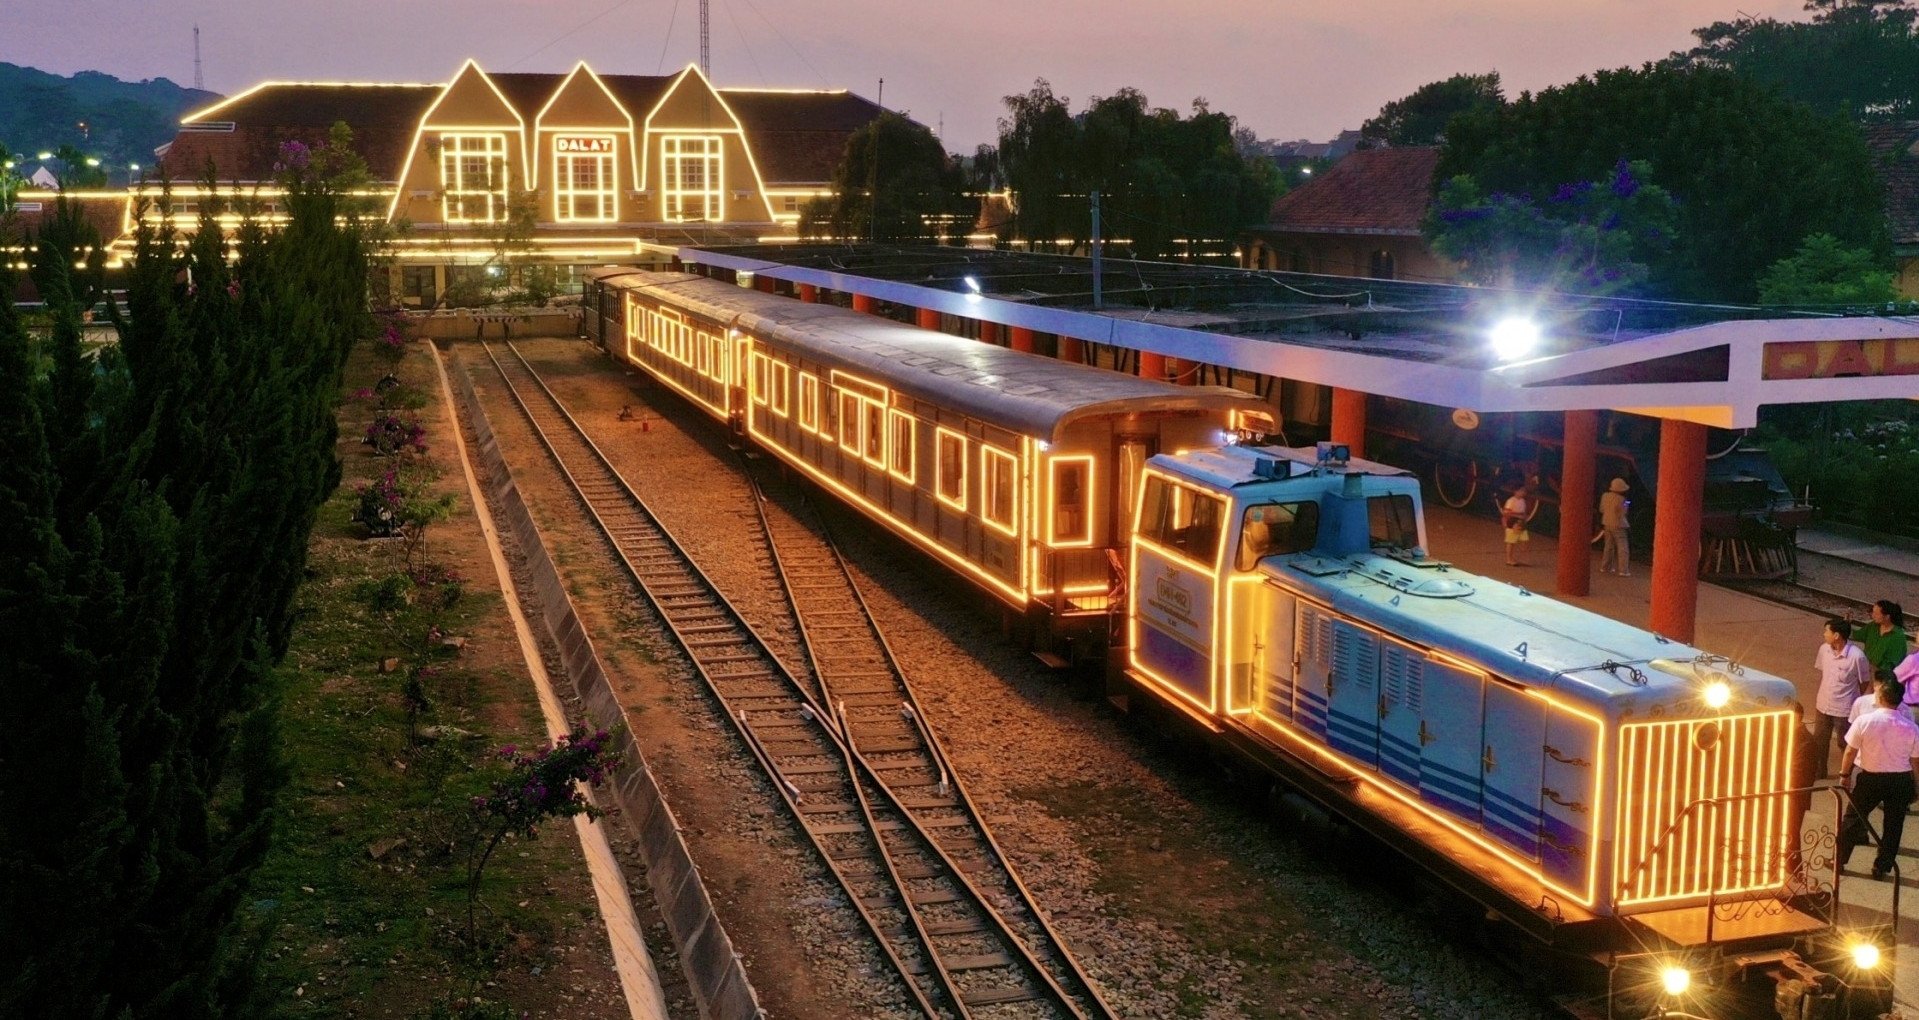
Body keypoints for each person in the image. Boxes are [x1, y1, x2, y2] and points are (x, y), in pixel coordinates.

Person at [1838, 677, 1919, 880]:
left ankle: (1839, 860)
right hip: (1899, 781)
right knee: (1893, 826)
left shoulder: (1865, 721)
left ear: (1881, 697)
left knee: (1853, 819)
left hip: (1870, 779)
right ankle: (1882, 866)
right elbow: (1915, 762)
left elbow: (1850, 751)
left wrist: (1844, 775)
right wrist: (1917, 786)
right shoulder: (1911, 728)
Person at [1814, 617, 1872, 777]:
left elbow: (1864, 681)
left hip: (1844, 709)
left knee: (1844, 743)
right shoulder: (1824, 650)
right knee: (1820, 741)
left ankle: (1846, 773)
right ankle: (1819, 772)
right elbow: (1822, 672)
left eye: (1827, 631)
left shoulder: (1857, 657)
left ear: (1837, 635)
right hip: (1823, 704)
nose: (1824, 634)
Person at [1854, 601, 1911, 682]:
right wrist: (1845, 625)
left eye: (1876, 613)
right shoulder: (1873, 626)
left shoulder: (1898, 636)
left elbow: (1892, 664)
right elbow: (1856, 635)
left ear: (1887, 617)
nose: (1872, 615)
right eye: (1872, 612)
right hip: (1866, 672)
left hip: (1883, 679)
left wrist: (1873, 668)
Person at [1597, 477, 1631, 576]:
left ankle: (1605, 567)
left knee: (1608, 546)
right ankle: (1623, 570)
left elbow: (1601, 509)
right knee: (1622, 547)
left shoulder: (1605, 496)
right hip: (1619, 525)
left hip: (1607, 523)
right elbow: (1625, 512)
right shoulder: (1623, 500)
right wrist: (1628, 502)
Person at [1501, 485, 1531, 567]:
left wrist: (1524, 518)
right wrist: (1518, 515)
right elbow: (1506, 512)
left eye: (1524, 491)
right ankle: (1509, 559)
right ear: (1515, 491)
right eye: (1521, 490)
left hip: (1521, 523)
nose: (1523, 492)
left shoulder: (1523, 501)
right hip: (1512, 522)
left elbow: (1524, 512)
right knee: (1511, 541)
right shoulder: (1511, 501)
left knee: (1525, 540)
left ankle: (1522, 557)